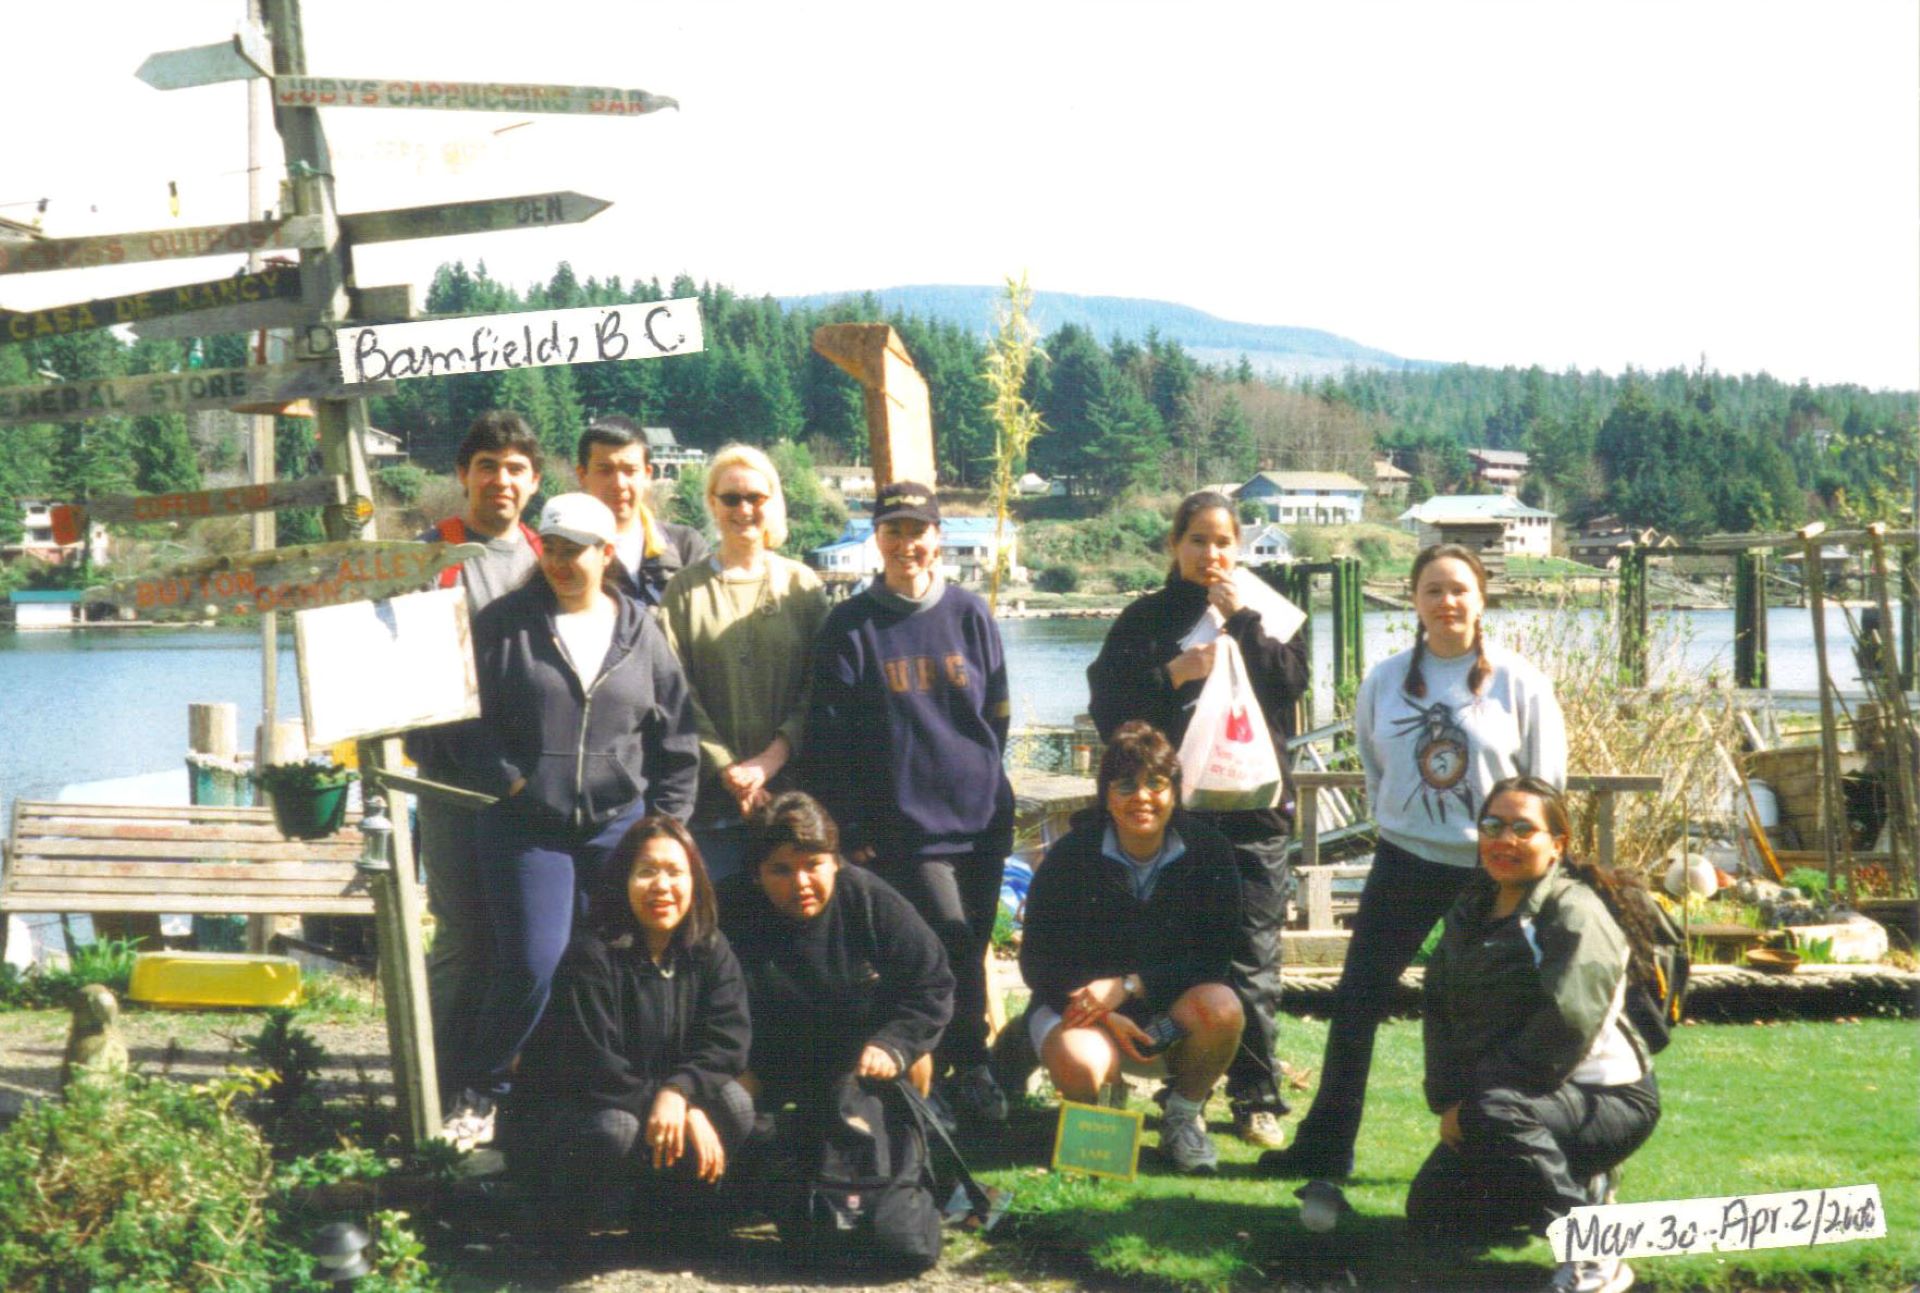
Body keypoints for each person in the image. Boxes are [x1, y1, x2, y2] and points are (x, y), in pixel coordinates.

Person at [1260, 543, 1567, 1180]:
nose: (1447, 602)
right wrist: (1408, 825)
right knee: (1355, 1006)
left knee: (1495, 1014)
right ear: (1414, 600)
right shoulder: (1386, 680)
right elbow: (1376, 768)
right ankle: (1324, 1149)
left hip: (1493, 874)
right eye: (1433, 590)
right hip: (1404, 863)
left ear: (1481, 599)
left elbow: (1545, 790)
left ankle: (1500, 1153)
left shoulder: (1521, 683)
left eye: (1460, 589)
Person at [445, 491, 701, 1148]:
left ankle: (586, 1092)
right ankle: (482, 1088)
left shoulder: (641, 628)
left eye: (575, 550)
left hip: (618, 827)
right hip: (526, 823)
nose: (560, 561)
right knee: (534, 959)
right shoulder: (506, 622)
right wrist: (515, 780)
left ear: (605, 553)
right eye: (551, 548)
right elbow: (465, 725)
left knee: (609, 964)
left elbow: (676, 738)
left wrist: (665, 827)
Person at [1085, 490, 1308, 1147]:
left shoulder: (1268, 610)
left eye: (1222, 542)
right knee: (1163, 948)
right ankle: (1171, 1080)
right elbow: (1108, 708)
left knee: (1254, 955)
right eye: (1197, 540)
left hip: (1254, 809)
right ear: (1174, 545)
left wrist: (1242, 623)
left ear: (1238, 547)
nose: (1211, 553)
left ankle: (1256, 1094)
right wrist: (1175, 671)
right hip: (1171, 813)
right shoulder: (1146, 619)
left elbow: (1290, 686)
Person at [804, 481, 1014, 1124]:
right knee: (941, 945)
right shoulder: (851, 625)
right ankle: (953, 1070)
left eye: (917, 531)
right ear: (878, 539)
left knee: (971, 944)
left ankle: (963, 1071)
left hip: (980, 819)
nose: (906, 544)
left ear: (937, 538)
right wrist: (854, 822)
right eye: (892, 531)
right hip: (906, 828)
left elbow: (996, 713)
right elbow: (829, 735)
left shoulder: (969, 613)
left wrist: (979, 779)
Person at [1408, 777, 1661, 1293]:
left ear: (1557, 845)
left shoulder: (1573, 912)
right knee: (1434, 1214)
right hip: (1521, 1099)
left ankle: (1594, 1252)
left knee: (1492, 1117)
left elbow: (1565, 1025)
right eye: (1493, 825)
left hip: (1605, 1098)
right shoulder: (1472, 908)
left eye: (1525, 828)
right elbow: (1440, 1009)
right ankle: (1579, 1182)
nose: (1505, 839)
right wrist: (1449, 1102)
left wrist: (1475, 1106)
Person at [503, 816, 754, 1237]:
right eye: (647, 871)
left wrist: (681, 1094)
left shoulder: (711, 948)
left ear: (695, 882)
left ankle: (667, 1214)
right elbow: (593, 1065)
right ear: (623, 880)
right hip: (574, 1115)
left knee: (734, 1104)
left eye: (675, 872)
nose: (662, 886)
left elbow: (728, 1041)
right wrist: (676, 1103)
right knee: (617, 1128)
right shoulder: (591, 954)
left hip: (658, 1104)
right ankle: (566, 1223)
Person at [1019, 721, 1246, 1174]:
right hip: (1082, 1012)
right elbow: (1036, 962)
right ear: (1106, 795)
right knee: (1085, 1065)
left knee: (1223, 1007)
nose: (1142, 797)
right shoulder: (1069, 857)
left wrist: (1131, 985)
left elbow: (1218, 955)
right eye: (1126, 785)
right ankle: (1102, 1101)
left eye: (1156, 784)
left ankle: (1182, 1117)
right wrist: (1103, 1010)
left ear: (1175, 792)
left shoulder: (1210, 852)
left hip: (1161, 1019)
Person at [402, 410, 543, 1110]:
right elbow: (411, 684)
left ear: (535, 481)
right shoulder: (430, 555)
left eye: (516, 467)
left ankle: (504, 1083)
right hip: (455, 777)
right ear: (464, 475)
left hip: (535, 784)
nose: (501, 479)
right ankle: (427, 1081)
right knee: (463, 936)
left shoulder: (553, 557)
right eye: (488, 464)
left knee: (525, 941)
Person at [718, 791, 954, 1118]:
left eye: (813, 865)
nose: (800, 883)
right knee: (726, 1103)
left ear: (835, 862)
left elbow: (932, 983)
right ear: (757, 874)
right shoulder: (727, 910)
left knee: (902, 1076)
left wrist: (895, 1045)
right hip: (764, 1058)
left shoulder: (870, 900)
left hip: (857, 1057)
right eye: (781, 870)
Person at [661, 443, 829, 883]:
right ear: (712, 505)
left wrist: (770, 760)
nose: (744, 509)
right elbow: (674, 691)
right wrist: (728, 768)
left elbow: (821, 685)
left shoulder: (803, 586)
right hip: (710, 802)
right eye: (731, 498)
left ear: (773, 503)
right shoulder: (683, 591)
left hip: (791, 795)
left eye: (756, 497)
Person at [575, 416, 709, 607]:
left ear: (647, 475)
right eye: (605, 470)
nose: (619, 484)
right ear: (582, 475)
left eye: (630, 471)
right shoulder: (567, 554)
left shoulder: (685, 547)